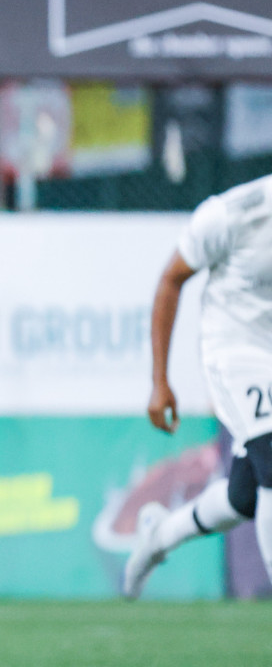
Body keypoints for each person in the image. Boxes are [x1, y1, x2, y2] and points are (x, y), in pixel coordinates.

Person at [126, 174, 272, 597]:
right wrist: (160, 382)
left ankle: (159, 534)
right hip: (236, 351)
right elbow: (171, 280)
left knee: (244, 496)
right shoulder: (232, 214)